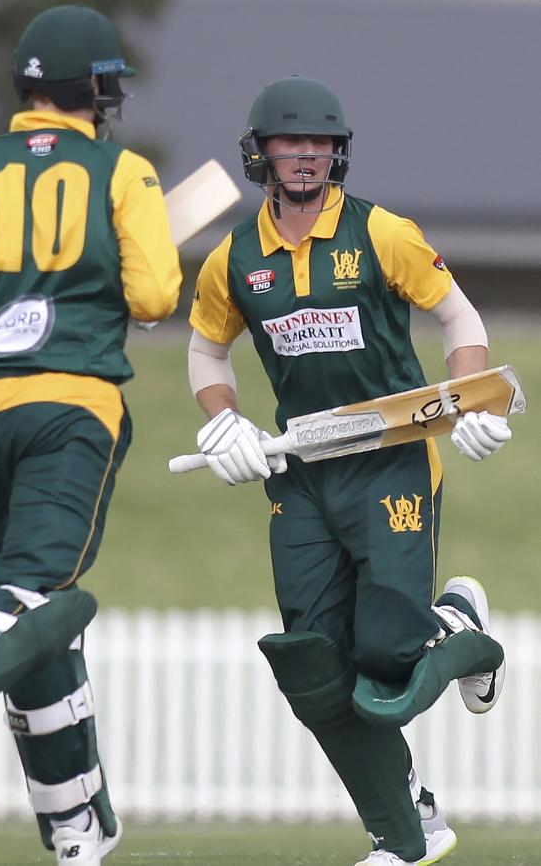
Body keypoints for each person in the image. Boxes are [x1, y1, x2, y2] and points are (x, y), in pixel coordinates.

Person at [186, 76, 510, 866]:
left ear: (340, 152)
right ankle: (409, 822)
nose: (307, 156)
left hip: (391, 458)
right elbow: (205, 347)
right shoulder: (234, 257)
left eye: (321, 143)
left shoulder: (382, 233)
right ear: (260, 152)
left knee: (389, 659)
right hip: (301, 468)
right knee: (312, 663)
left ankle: (460, 624)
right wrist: (222, 417)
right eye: (291, 144)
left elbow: (459, 315)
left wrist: (466, 400)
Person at [0, 6, 181, 865]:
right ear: (92, 90)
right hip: (74, 404)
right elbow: (159, 295)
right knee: (34, 584)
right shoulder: (121, 172)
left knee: (36, 612)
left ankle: (74, 826)